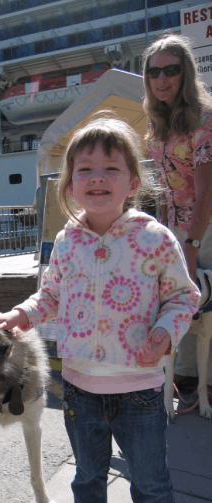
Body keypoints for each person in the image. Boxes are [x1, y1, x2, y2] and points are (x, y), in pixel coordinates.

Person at [0, 116, 200, 503]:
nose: (98, 177)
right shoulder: (67, 242)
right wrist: (22, 313)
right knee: (87, 477)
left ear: (133, 180)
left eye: (111, 167)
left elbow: (184, 297)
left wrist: (166, 333)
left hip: (141, 390)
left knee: (150, 485)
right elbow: (51, 297)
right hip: (81, 388)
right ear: (70, 183)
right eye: (85, 169)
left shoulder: (154, 238)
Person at [143, 32, 212, 393]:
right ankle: (186, 374)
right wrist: (164, 233)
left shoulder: (204, 119)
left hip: (206, 225)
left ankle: (208, 383)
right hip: (175, 226)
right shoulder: (160, 126)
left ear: (185, 73)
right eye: (153, 73)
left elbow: (207, 191)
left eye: (170, 70)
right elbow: (167, 192)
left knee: (208, 302)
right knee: (179, 298)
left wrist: (192, 243)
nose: (161, 80)